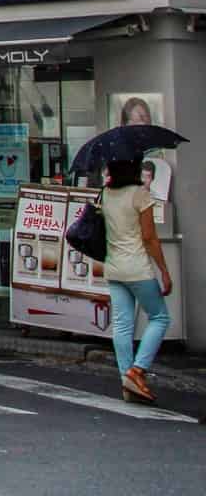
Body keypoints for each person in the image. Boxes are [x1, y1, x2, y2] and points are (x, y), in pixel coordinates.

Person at [103, 157, 173, 403]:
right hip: (138, 268)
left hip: (113, 268)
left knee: (122, 324)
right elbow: (149, 237)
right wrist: (164, 270)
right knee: (160, 317)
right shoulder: (140, 194)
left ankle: (127, 382)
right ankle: (137, 370)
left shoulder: (106, 194)